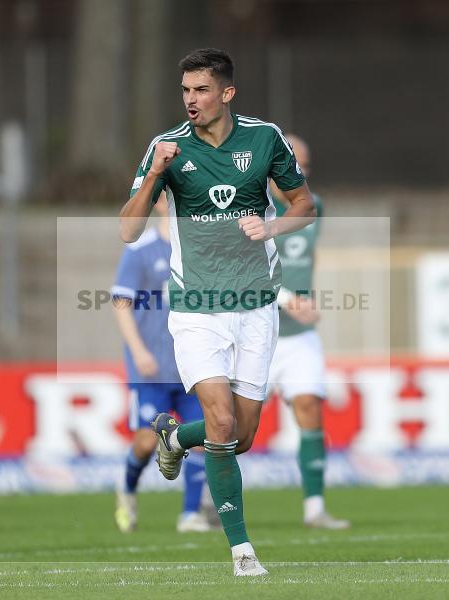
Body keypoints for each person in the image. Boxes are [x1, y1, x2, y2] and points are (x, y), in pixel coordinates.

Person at [119, 48, 316, 576]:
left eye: (202, 90)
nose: (191, 100)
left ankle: (175, 436)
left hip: (255, 305)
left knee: (241, 437)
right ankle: (242, 552)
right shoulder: (167, 148)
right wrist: (154, 175)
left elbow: (303, 206)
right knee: (223, 422)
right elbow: (128, 229)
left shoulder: (264, 137)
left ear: (226, 93)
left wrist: (271, 227)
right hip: (196, 307)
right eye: (185, 91)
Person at [112, 192, 215, 534]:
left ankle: (190, 514)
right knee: (145, 440)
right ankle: (127, 488)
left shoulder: (200, 250)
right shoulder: (140, 251)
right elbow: (121, 303)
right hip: (152, 369)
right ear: (158, 203)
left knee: (202, 438)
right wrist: (139, 351)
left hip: (191, 365)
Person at [267, 134, 349, 530]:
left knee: (310, 411)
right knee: (233, 427)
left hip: (299, 339)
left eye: (305, 165)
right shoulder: (251, 210)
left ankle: (314, 508)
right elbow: (236, 272)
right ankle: (213, 501)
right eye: (293, 164)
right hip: (255, 333)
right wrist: (288, 300)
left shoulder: (314, 207)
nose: (301, 173)